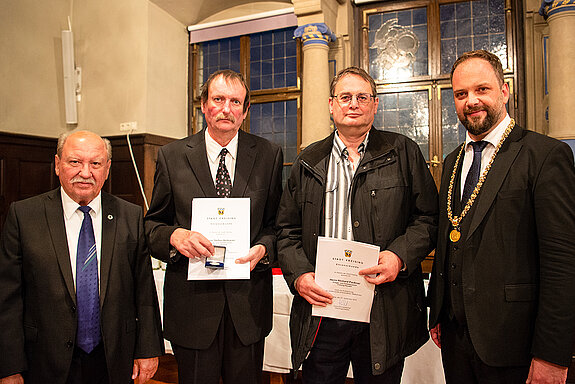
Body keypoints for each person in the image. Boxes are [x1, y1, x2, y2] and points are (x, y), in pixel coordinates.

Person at [276, 66, 438, 383]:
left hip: (382, 306)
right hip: (322, 308)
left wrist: (399, 256)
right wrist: (300, 276)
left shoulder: (403, 153)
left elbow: (428, 219)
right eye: (346, 97)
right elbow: (286, 231)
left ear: (375, 105)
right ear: (331, 104)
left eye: (362, 97)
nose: (354, 104)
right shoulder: (308, 160)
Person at [428, 50, 575, 383]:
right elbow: (448, 239)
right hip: (456, 340)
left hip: (515, 344)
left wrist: (552, 355)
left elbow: (563, 264)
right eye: (461, 94)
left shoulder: (545, 155)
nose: (471, 101)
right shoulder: (452, 161)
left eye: (482, 89)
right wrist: (438, 310)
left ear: (504, 91)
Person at [144, 69, 283, 384]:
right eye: (218, 99)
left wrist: (263, 249)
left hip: (246, 307)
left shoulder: (267, 155)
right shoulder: (172, 156)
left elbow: (278, 226)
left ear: (245, 111)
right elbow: (152, 227)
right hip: (193, 307)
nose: (226, 108)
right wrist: (175, 236)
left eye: (236, 102)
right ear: (203, 106)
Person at [0, 131, 164, 384]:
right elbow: (7, 298)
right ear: (57, 164)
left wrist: (148, 349)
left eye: (95, 164)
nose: (85, 172)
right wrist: (9, 367)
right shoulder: (24, 216)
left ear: (107, 169)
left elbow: (143, 290)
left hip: (113, 359)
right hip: (44, 361)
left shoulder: (130, 216)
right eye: (75, 162)